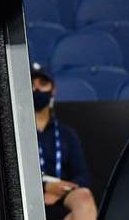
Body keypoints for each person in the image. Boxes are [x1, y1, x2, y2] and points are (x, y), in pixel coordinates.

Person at [31, 63, 97, 220]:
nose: (37, 89)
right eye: (31, 84)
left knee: (84, 197)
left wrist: (60, 190)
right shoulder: (14, 134)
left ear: (53, 90)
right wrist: (44, 187)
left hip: (60, 198)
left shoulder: (66, 134)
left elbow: (83, 176)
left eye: (43, 84)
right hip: (28, 198)